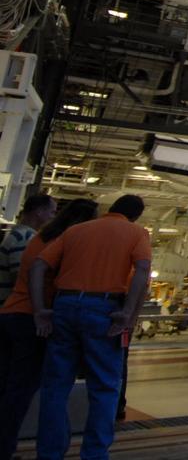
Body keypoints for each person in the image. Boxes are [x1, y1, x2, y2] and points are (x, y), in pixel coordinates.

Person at [30, 194, 151, 459]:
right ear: (136, 215)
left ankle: (49, 452)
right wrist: (129, 314)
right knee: (105, 387)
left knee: (55, 386)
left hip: (65, 305)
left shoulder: (76, 230)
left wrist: (40, 310)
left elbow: (39, 265)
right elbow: (142, 270)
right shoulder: (137, 232)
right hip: (104, 310)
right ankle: (94, 453)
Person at [0, 198, 97, 459]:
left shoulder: (40, 237)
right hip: (30, 320)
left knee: (9, 388)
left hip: (12, 313)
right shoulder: (58, 242)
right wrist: (43, 311)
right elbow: (41, 274)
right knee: (20, 391)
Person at [0, 194, 57, 304]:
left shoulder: (18, 234)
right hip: (11, 304)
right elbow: (20, 276)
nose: (53, 217)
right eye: (52, 212)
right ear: (39, 212)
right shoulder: (26, 237)